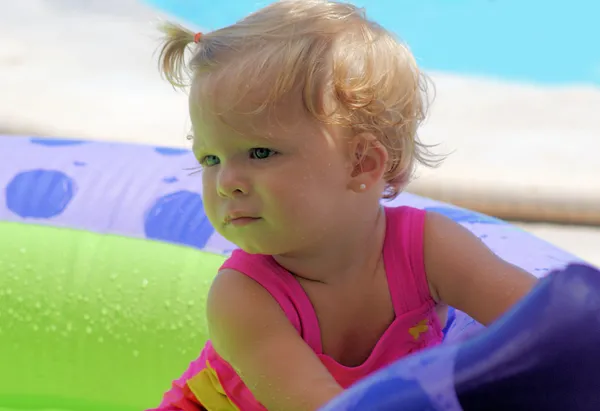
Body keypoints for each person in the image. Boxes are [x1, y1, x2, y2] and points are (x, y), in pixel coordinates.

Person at [150, 1, 537, 410]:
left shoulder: (429, 249)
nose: (226, 182)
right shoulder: (243, 296)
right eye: (210, 159)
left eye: (260, 153)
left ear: (361, 164)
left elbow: (549, 321)